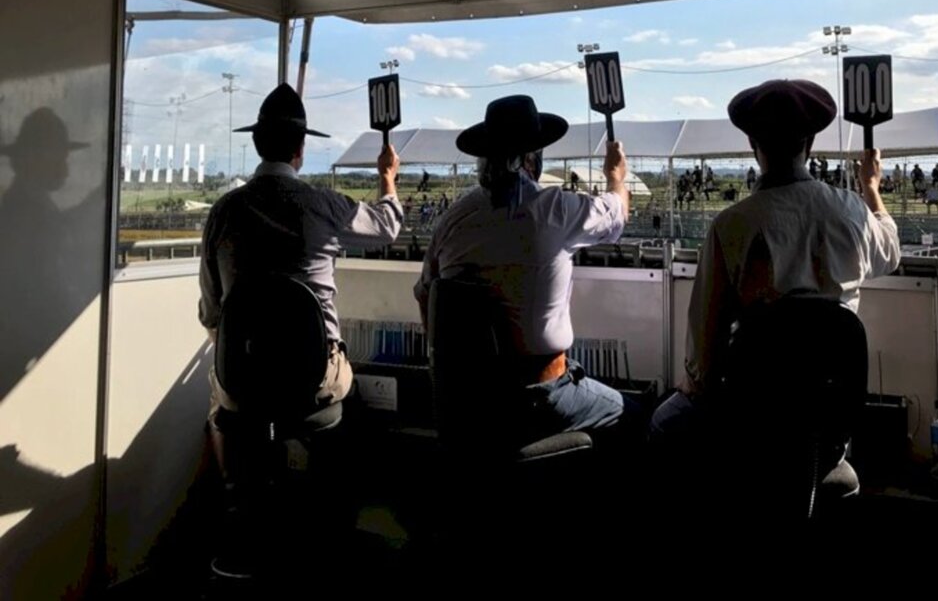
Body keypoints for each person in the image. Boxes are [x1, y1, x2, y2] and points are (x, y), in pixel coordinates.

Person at [649, 79, 900, 454]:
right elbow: (890, 252)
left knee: (660, 424)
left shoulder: (733, 225)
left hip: (752, 421)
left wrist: (694, 388)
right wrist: (872, 188)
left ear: (753, 145)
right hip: (827, 428)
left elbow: (705, 341)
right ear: (809, 144)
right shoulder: (850, 209)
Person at [198, 84, 403, 480]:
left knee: (221, 406)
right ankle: (336, 503)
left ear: (257, 144)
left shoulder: (223, 212)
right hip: (313, 379)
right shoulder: (321, 204)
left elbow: (211, 311)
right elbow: (388, 226)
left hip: (243, 379)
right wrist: (387, 177)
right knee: (353, 403)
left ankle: (233, 501)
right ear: (300, 150)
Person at [413, 95, 630, 440]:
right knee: (624, 409)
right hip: (538, 396)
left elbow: (426, 295)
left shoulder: (453, 219)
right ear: (533, 157)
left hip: (466, 399)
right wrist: (615, 175)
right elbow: (617, 213)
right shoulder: (554, 209)